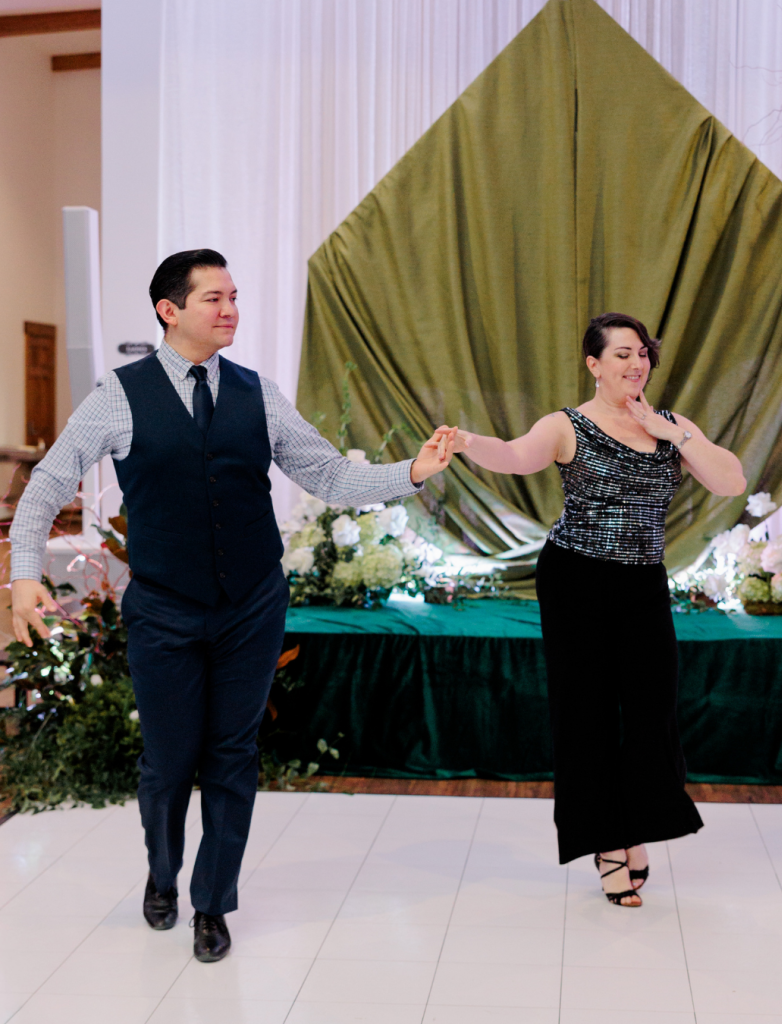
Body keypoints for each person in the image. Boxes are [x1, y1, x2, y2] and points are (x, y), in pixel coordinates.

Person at [10, 248, 458, 960]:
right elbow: (48, 481)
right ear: (169, 310)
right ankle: (163, 871)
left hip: (250, 604)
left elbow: (330, 474)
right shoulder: (117, 396)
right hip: (163, 608)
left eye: (234, 297)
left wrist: (411, 472)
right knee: (166, 761)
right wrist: (25, 570)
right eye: (214, 299)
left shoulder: (258, 392)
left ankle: (212, 904)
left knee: (231, 754)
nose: (230, 311)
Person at [432, 312, 746, 906]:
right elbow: (517, 455)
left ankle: (640, 827)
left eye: (643, 354)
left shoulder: (672, 426)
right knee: (588, 714)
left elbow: (730, 481)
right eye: (622, 354)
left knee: (653, 712)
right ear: (594, 365)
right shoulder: (566, 424)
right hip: (576, 579)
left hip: (643, 583)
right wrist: (468, 442)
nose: (636, 363)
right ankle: (607, 843)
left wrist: (669, 430)